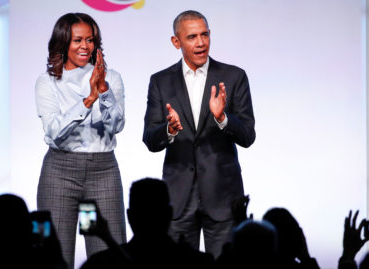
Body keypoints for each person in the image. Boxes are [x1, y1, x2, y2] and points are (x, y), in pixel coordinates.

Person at [142, 10, 256, 258]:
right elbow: (150, 139)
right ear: (176, 42)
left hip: (223, 198)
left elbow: (248, 136)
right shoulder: (160, 82)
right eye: (192, 37)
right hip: (178, 199)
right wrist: (168, 130)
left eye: (204, 35)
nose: (201, 42)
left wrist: (222, 118)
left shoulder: (234, 77)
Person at [35, 13, 126, 269]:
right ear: (63, 42)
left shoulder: (112, 78)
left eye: (90, 40)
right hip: (60, 172)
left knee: (107, 254)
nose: (85, 46)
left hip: (103, 172)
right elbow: (54, 132)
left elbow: (116, 126)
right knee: (55, 254)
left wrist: (103, 91)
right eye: (77, 40)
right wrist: (88, 100)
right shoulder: (48, 82)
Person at [81, 178, 214, 269]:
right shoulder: (200, 263)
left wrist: (107, 237)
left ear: (130, 216)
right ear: (169, 214)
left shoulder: (100, 263)